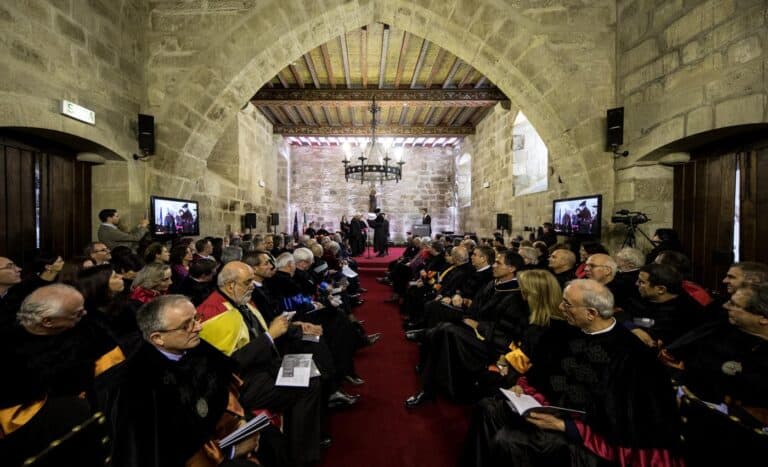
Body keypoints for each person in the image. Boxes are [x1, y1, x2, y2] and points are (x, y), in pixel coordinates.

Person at [462, 279, 684, 467]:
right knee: (488, 408)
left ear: (591, 313)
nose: (560, 307)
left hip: (590, 435)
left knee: (509, 441)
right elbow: (543, 372)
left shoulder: (633, 356)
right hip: (552, 407)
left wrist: (566, 426)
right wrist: (526, 388)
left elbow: (631, 419)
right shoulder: (563, 332)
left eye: (567, 304)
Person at [102, 295, 267, 467]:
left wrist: (238, 421)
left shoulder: (192, 345)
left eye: (196, 318)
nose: (198, 327)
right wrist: (230, 452)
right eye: (186, 325)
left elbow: (223, 386)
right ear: (157, 338)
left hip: (222, 433)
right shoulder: (137, 384)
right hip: (202, 459)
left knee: (270, 439)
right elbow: (161, 451)